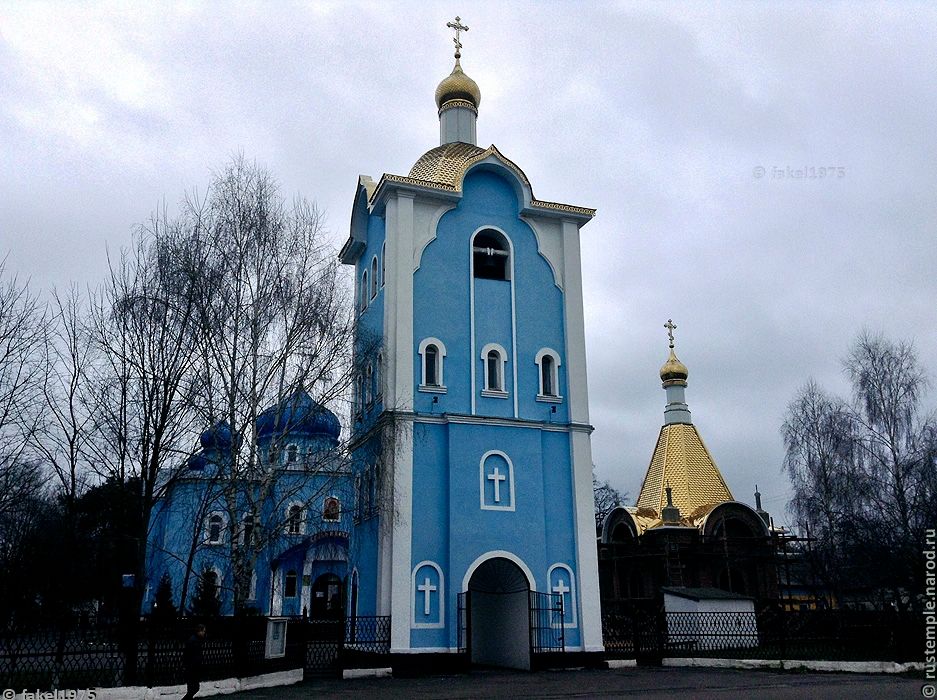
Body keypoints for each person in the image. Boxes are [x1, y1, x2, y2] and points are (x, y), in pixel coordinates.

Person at [182, 623, 206, 699]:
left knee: (192, 689)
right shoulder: (194, 641)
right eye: (203, 631)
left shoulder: (194, 640)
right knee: (194, 688)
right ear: (199, 631)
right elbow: (192, 656)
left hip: (192, 668)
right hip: (192, 669)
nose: (204, 633)